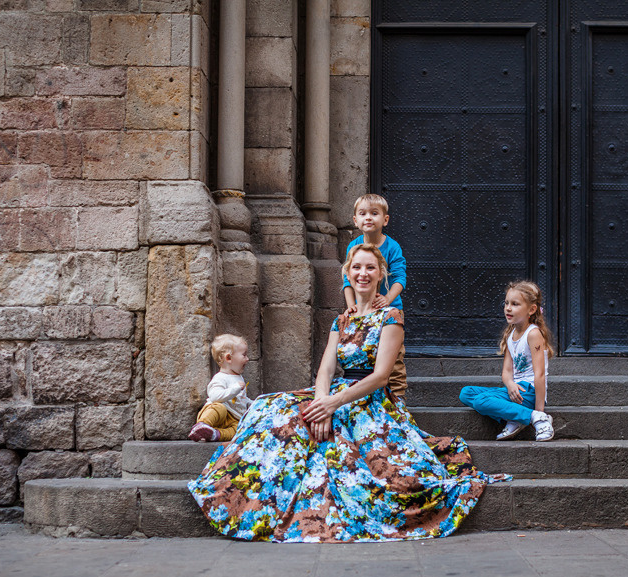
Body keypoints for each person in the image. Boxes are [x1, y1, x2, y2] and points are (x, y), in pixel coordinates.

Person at [188, 243, 507, 543]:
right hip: (334, 393)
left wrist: (334, 404)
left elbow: (381, 376)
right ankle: (241, 491)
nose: (363, 273)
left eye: (370, 267)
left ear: (381, 273)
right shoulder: (342, 320)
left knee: (338, 441)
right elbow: (325, 370)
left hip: (369, 399)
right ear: (348, 273)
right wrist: (320, 403)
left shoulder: (391, 317)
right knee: (266, 406)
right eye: (357, 267)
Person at [459, 281, 556, 441]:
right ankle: (517, 417)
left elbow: (540, 374)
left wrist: (540, 410)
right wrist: (510, 384)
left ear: (531, 310)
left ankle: (535, 417)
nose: (508, 308)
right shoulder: (511, 335)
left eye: (515, 304)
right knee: (466, 393)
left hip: (529, 392)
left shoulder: (533, 334)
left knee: (481, 401)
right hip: (515, 391)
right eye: (506, 303)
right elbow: (506, 372)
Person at [341, 193, 408, 398]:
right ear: (355, 220)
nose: (368, 217)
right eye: (362, 214)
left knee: (393, 361)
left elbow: (400, 278)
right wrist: (352, 306)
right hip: (361, 311)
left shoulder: (392, 247)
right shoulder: (354, 246)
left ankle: (398, 402)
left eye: (374, 213)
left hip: (388, 310)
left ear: (385, 220)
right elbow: (347, 280)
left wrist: (387, 300)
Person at [188, 334, 253, 442]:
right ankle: (202, 424)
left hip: (234, 418)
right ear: (228, 358)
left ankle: (215, 434)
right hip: (219, 415)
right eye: (244, 355)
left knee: (240, 429)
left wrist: (252, 404)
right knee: (219, 408)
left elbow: (240, 400)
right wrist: (234, 389)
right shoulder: (220, 378)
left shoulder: (239, 378)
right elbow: (215, 397)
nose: (247, 359)